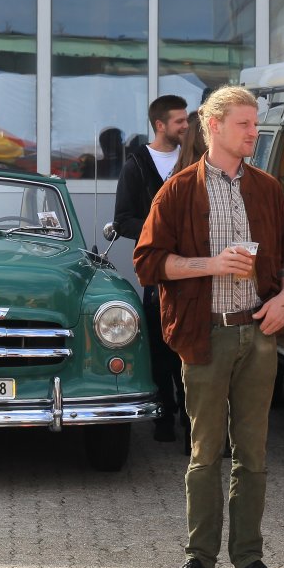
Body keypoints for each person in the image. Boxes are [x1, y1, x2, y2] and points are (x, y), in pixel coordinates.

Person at [135, 85, 284, 568]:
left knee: (254, 453)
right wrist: (210, 264)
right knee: (205, 452)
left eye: (255, 123)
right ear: (215, 126)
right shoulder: (178, 190)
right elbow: (147, 263)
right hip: (205, 333)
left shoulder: (267, 188)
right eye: (245, 124)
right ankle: (199, 560)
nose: (254, 132)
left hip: (259, 331)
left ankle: (249, 559)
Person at [114, 94, 190, 443]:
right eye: (179, 121)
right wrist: (159, 230)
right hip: (157, 272)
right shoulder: (136, 165)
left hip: (193, 269)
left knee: (189, 346)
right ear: (160, 125)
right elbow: (123, 220)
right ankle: (164, 417)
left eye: (186, 120)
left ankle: (191, 421)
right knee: (160, 346)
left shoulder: (193, 159)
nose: (186, 126)